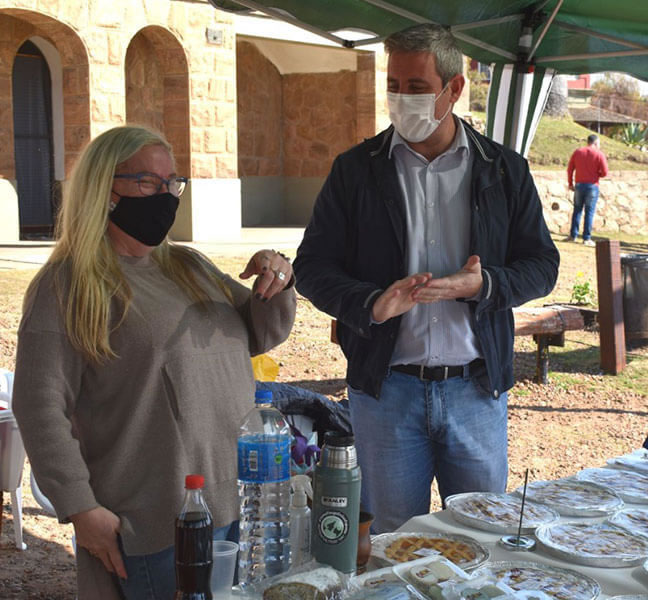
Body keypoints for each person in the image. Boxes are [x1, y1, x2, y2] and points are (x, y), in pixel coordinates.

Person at [293, 23, 559, 534]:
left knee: (483, 535)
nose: (401, 99)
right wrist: (371, 303)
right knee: (394, 541)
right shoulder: (356, 171)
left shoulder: (504, 170)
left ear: (454, 89)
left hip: (475, 390)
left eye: (416, 87)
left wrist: (484, 286)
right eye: (393, 85)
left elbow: (542, 265)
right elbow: (312, 267)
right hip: (386, 390)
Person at [12, 126, 296, 599]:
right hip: (156, 521)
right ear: (105, 189)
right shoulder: (67, 284)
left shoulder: (188, 265)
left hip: (239, 500)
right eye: (147, 182)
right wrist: (81, 509)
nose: (165, 195)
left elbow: (260, 333)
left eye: (172, 183)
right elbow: (38, 406)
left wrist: (276, 282)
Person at [566, 133, 609, 246]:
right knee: (589, 212)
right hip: (592, 186)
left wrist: (570, 183)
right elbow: (605, 172)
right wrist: (597, 174)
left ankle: (573, 235)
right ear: (596, 143)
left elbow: (570, 169)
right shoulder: (599, 154)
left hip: (579, 185)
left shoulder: (578, 152)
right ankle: (586, 238)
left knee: (577, 210)